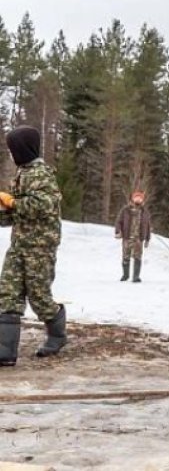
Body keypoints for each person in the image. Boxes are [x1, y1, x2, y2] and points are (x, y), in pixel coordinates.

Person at [0, 126, 66, 366]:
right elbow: (16, 214)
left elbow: (42, 206)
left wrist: (13, 202)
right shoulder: (21, 173)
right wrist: (5, 209)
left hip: (40, 247)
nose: (10, 153)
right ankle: (5, 352)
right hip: (19, 244)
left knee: (39, 296)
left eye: (12, 148)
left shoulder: (42, 174)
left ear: (22, 148)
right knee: (7, 293)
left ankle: (57, 335)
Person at [114, 190, 152, 282]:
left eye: (140, 198)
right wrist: (117, 231)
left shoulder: (145, 212)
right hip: (127, 237)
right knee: (125, 257)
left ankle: (135, 277)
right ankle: (125, 275)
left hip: (139, 239)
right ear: (132, 198)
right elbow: (118, 221)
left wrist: (147, 239)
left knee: (138, 258)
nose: (138, 199)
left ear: (142, 200)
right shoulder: (125, 210)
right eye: (136, 197)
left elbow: (148, 226)